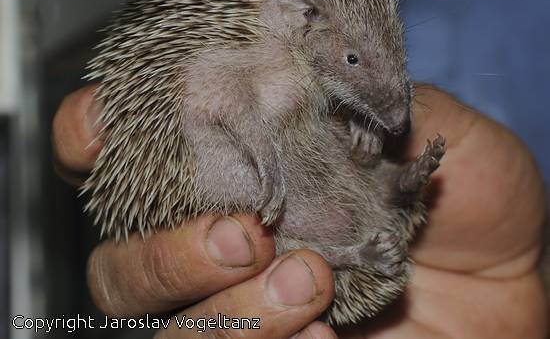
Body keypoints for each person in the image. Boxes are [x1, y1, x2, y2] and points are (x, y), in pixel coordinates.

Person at [52, 84, 549, 338]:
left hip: (359, 197)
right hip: (324, 217)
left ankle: (391, 201)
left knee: (373, 184)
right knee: (279, 245)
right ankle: (369, 232)